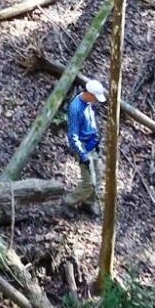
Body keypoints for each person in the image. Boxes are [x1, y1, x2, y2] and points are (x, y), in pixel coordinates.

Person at [62, 79, 107, 217]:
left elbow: (91, 123)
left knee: (98, 177)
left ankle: (88, 203)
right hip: (83, 148)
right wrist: (82, 155)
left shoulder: (89, 104)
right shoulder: (76, 108)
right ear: (89, 94)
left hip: (92, 145)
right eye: (95, 98)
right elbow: (73, 136)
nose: (97, 101)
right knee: (89, 183)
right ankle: (68, 202)